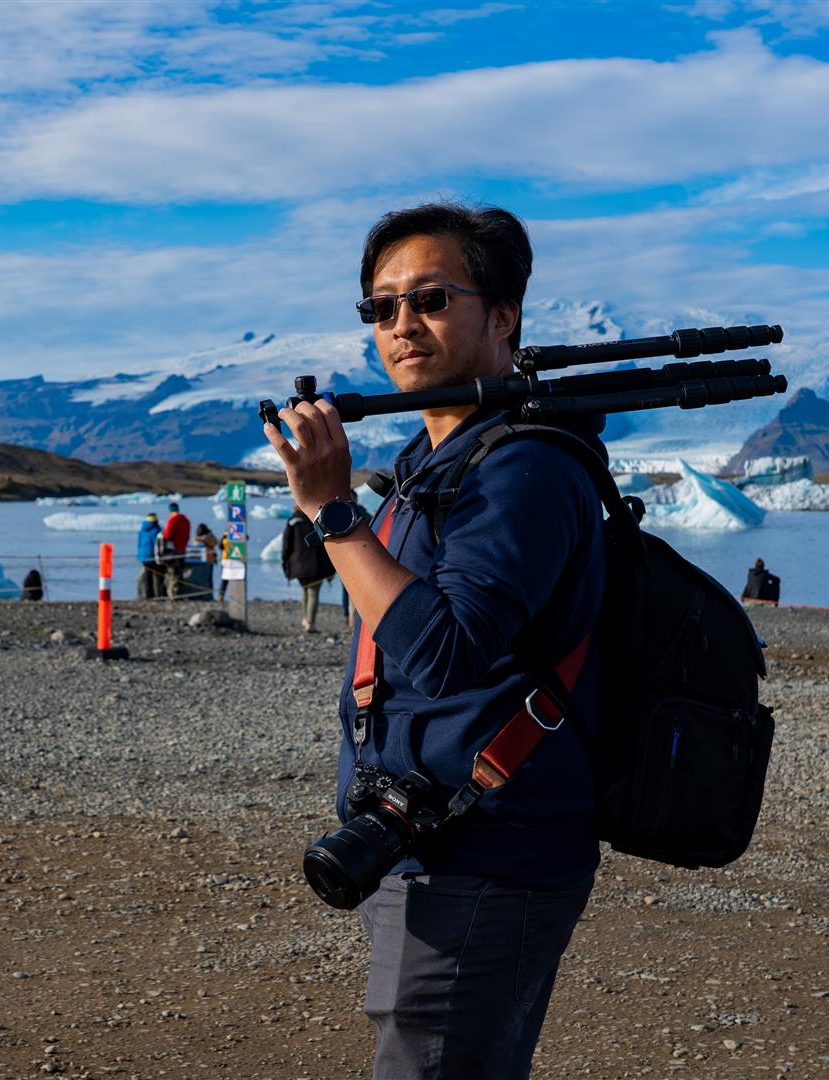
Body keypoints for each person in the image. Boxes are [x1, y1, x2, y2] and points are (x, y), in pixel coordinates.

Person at [261, 202, 606, 1079]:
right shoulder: (435, 461)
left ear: (501, 317)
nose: (400, 325)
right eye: (380, 307)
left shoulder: (523, 468)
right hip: (425, 841)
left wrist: (332, 511)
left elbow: (444, 655)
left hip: (488, 855)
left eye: (429, 299)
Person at [280, 504, 337, 631]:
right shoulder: (318, 520)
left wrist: (285, 562)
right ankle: (310, 622)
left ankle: (306, 618)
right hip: (317, 564)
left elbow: (286, 544)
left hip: (298, 565)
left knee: (305, 591)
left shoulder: (292, 521)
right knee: (313, 593)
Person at [162, 501, 192, 598]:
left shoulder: (172, 520)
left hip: (174, 551)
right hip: (183, 549)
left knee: (173, 573)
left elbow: (167, 535)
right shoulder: (186, 520)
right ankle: (181, 593)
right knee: (180, 572)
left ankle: (173, 594)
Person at [136, 512, 165, 599]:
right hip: (152, 556)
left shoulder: (142, 530)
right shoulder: (156, 530)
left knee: (147, 577)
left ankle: (148, 596)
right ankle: (159, 595)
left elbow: (139, 544)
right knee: (158, 576)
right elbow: (158, 544)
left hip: (143, 557)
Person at [186, 523, 219, 600]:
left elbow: (215, 542)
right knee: (206, 579)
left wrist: (205, 539)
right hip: (204, 561)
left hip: (206, 561)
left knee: (207, 579)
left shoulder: (207, 537)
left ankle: (208, 594)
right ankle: (206, 594)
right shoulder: (202, 537)